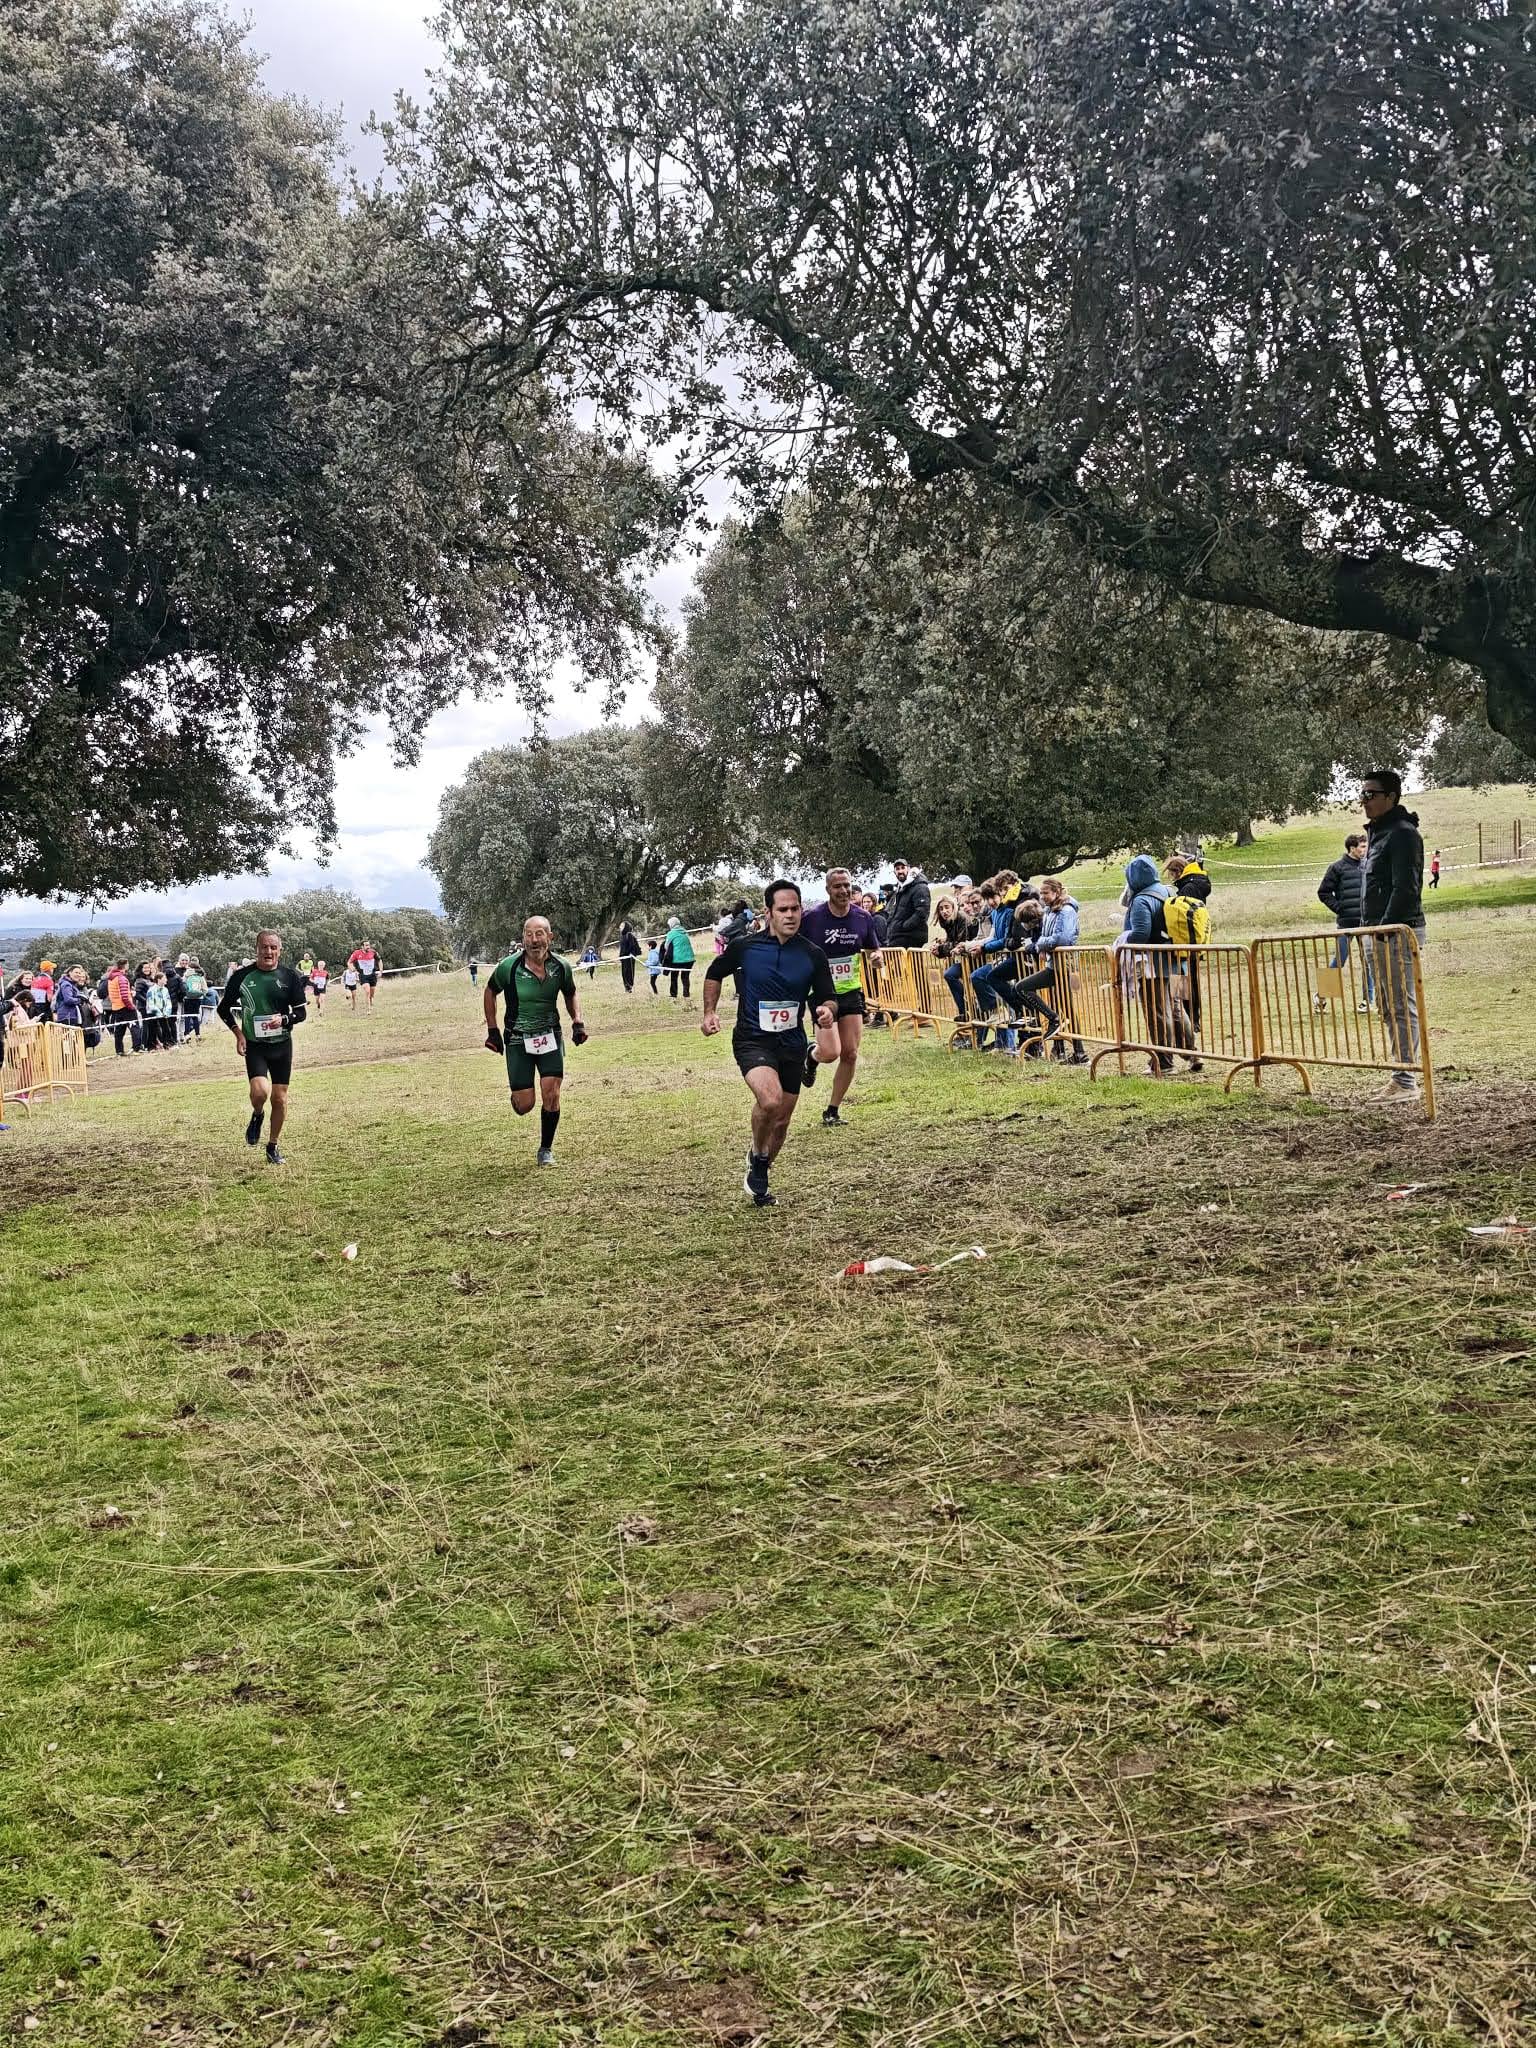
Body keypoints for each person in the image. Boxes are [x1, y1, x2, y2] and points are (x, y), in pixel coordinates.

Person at [702, 880, 838, 1207]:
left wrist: (826, 1012)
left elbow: (829, 997)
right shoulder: (746, 947)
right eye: (783, 910)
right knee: (771, 1100)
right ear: (768, 912)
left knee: (782, 1122)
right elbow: (715, 972)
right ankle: (759, 1157)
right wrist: (709, 1012)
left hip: (791, 1043)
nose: (791, 915)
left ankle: (759, 1167)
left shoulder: (812, 954)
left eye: (796, 909)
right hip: (752, 1039)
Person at [482, 915, 588, 1165]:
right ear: (523, 939)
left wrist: (577, 1021)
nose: (534, 940)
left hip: (550, 1035)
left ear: (550, 938)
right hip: (518, 1040)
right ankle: (518, 1098)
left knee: (551, 1093)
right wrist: (493, 1030)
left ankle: (545, 1149)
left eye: (539, 934)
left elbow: (571, 993)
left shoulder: (561, 966)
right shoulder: (509, 967)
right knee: (525, 1105)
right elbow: (490, 992)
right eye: (528, 934)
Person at [1360, 770, 1426, 1099]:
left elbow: (1406, 889)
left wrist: (1385, 927)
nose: (1364, 801)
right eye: (1362, 795)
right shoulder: (1380, 834)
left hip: (1396, 932)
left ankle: (1406, 1080)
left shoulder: (1402, 834)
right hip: (1377, 931)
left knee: (1401, 1006)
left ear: (1391, 797)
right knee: (1386, 1005)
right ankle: (1400, 1074)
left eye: (1371, 794)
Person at [800, 867, 883, 1125]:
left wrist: (876, 958)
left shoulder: (862, 917)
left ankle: (832, 1111)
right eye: (837, 886)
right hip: (822, 994)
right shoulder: (812, 919)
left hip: (850, 992)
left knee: (850, 1053)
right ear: (828, 890)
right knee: (830, 1052)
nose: (844, 890)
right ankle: (811, 1056)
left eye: (847, 885)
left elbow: (872, 949)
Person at [217, 930, 308, 1163]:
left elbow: (301, 1013)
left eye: (273, 948)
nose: (269, 952)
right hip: (255, 1045)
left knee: (279, 1098)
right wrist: (238, 1034)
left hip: (281, 1045)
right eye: (264, 947)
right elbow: (223, 1009)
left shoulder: (289, 976)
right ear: (256, 949)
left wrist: (284, 1020)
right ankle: (257, 1115)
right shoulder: (241, 976)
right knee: (260, 1093)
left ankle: (272, 1146)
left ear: (280, 950)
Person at [1004, 878, 1089, 1062]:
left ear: (1057, 892)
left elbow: (1062, 939)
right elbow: (1046, 936)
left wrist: (1040, 945)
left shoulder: (1066, 910)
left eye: (1046, 893)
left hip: (1064, 965)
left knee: (1062, 1005)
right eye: (1041, 893)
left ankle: (1076, 1049)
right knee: (1059, 1004)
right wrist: (1042, 945)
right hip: (1053, 964)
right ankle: (1065, 1048)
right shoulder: (1050, 910)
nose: (1042, 896)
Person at [1117, 855, 1176, 1076]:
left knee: (1156, 1011)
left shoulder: (1142, 899)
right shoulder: (1168, 890)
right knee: (1175, 1009)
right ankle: (1190, 1054)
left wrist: (1123, 941)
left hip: (1152, 965)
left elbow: (1141, 933)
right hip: (1175, 961)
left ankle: (1163, 1060)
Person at [1316, 832, 1374, 1012]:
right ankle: (1321, 997)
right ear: (1352, 848)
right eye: (1362, 846)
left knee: (1368, 961)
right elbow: (1323, 892)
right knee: (1339, 961)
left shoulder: (1369, 866)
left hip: (1366, 924)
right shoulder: (1337, 867)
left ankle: (1367, 1001)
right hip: (1346, 924)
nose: (1365, 850)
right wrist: (1340, 908)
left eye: (1366, 846)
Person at [884, 858, 932, 950]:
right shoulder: (900, 888)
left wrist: (904, 926)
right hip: (898, 936)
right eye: (897, 869)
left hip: (911, 936)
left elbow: (922, 912)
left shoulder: (919, 887)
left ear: (908, 869)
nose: (900, 871)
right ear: (894, 872)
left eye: (903, 868)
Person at [105, 959, 141, 1055]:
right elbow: (124, 996)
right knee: (134, 1027)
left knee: (119, 1030)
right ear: (125, 966)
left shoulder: (111, 978)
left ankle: (119, 1050)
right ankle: (137, 1048)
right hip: (125, 1007)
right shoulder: (121, 978)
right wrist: (131, 1006)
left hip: (116, 1007)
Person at [662, 916, 695, 999]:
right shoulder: (684, 932)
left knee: (674, 976)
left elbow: (666, 946)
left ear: (671, 925)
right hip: (689, 959)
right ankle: (686, 995)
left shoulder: (671, 933)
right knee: (685, 977)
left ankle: (673, 995)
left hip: (677, 960)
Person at [347, 939, 381, 1010]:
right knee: (367, 991)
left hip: (372, 975)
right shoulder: (356, 953)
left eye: (369, 945)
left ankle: (371, 999)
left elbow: (380, 960)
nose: (368, 947)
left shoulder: (373, 952)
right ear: (362, 946)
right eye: (366, 945)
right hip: (363, 975)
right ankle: (368, 1008)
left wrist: (381, 971)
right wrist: (352, 968)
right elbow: (349, 962)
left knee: (372, 992)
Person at [180, 957, 208, 1038]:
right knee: (195, 1016)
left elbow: (183, 985)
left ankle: (187, 1034)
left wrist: (184, 995)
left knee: (187, 1016)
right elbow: (205, 989)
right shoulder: (200, 975)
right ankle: (197, 1034)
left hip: (188, 998)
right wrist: (202, 995)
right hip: (198, 998)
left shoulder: (186, 975)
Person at [617, 922, 641, 994]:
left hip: (628, 958)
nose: (620, 927)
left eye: (622, 926)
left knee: (628, 972)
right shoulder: (623, 935)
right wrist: (621, 956)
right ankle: (626, 988)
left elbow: (632, 946)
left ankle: (629, 987)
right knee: (624, 973)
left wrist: (627, 954)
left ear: (626, 927)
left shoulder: (629, 935)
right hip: (624, 958)